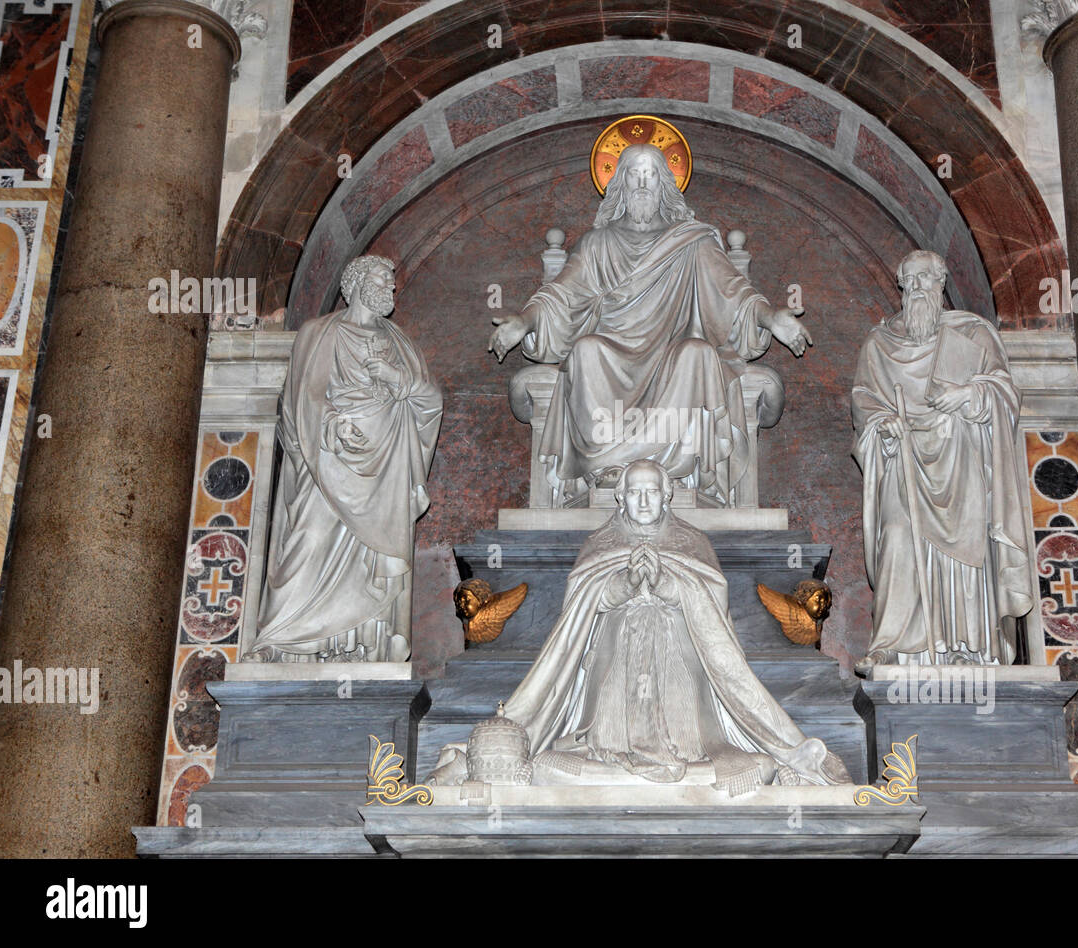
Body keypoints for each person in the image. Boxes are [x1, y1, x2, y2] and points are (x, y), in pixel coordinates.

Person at [432, 459, 851, 791]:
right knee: (554, 755)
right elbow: (578, 611)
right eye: (635, 492)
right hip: (613, 664)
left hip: (682, 664)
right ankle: (609, 756)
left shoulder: (693, 543)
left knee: (751, 760)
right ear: (621, 499)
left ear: (668, 496)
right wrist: (620, 586)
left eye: (652, 492)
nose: (644, 501)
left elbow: (713, 614)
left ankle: (687, 759)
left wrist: (671, 587)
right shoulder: (601, 544)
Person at [487, 144, 811, 507]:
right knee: (585, 351)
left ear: (665, 183)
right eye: (634, 173)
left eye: (651, 173)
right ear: (620, 182)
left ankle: (678, 470)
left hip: (673, 352)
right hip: (610, 351)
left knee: (698, 354)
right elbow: (560, 297)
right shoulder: (597, 244)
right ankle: (606, 467)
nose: (642, 182)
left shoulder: (692, 242)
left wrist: (771, 317)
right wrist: (525, 321)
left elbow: (733, 293)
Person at [250, 255, 442, 662]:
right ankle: (283, 636)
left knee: (371, 559)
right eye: (380, 278)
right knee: (310, 538)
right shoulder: (317, 333)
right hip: (327, 459)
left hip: (385, 469)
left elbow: (429, 400)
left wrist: (398, 381)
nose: (390, 287)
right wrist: (331, 424)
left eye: (392, 281)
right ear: (353, 282)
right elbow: (301, 397)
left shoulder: (401, 344)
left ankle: (360, 645)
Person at [851, 250, 1034, 667]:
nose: (917, 288)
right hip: (904, 460)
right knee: (897, 534)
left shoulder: (972, 335)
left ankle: (967, 648)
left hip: (962, 461)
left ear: (942, 284)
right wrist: (883, 424)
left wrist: (967, 395)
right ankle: (893, 645)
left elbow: (1005, 393)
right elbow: (863, 401)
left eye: (926, 280)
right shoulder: (879, 346)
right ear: (900, 287)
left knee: (967, 547)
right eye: (910, 281)